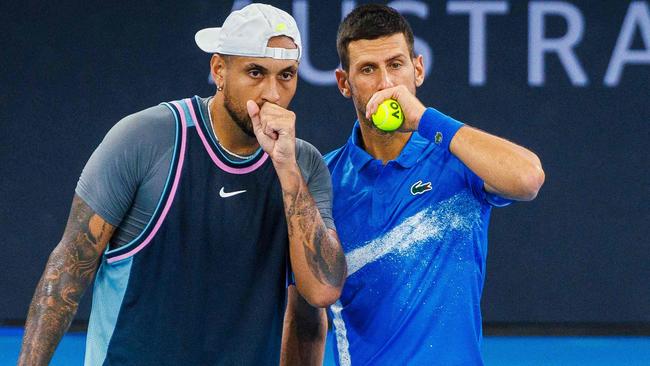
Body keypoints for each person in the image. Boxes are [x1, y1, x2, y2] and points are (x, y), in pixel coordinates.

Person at [17, 4, 346, 365]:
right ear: (219, 69)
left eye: (286, 75)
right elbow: (67, 268)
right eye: (255, 72)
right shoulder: (145, 139)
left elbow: (321, 293)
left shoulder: (302, 166)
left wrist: (286, 169)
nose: (273, 93)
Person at [287, 4, 546, 365]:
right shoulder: (320, 182)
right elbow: (304, 314)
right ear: (344, 84)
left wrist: (424, 118)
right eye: (367, 70)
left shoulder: (458, 157)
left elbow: (528, 178)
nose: (386, 84)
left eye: (396, 65)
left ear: (417, 70)